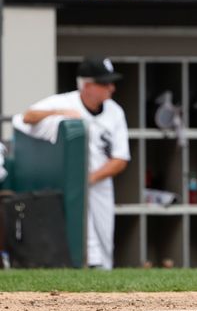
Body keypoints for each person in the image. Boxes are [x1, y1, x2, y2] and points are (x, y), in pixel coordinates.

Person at [21, 57, 130, 269]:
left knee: (105, 242)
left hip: (99, 184)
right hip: (69, 185)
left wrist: (89, 179)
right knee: (79, 241)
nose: (112, 88)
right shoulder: (65, 102)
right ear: (88, 85)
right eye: (105, 83)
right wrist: (59, 113)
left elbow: (120, 159)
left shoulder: (115, 112)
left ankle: (105, 288)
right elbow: (28, 116)